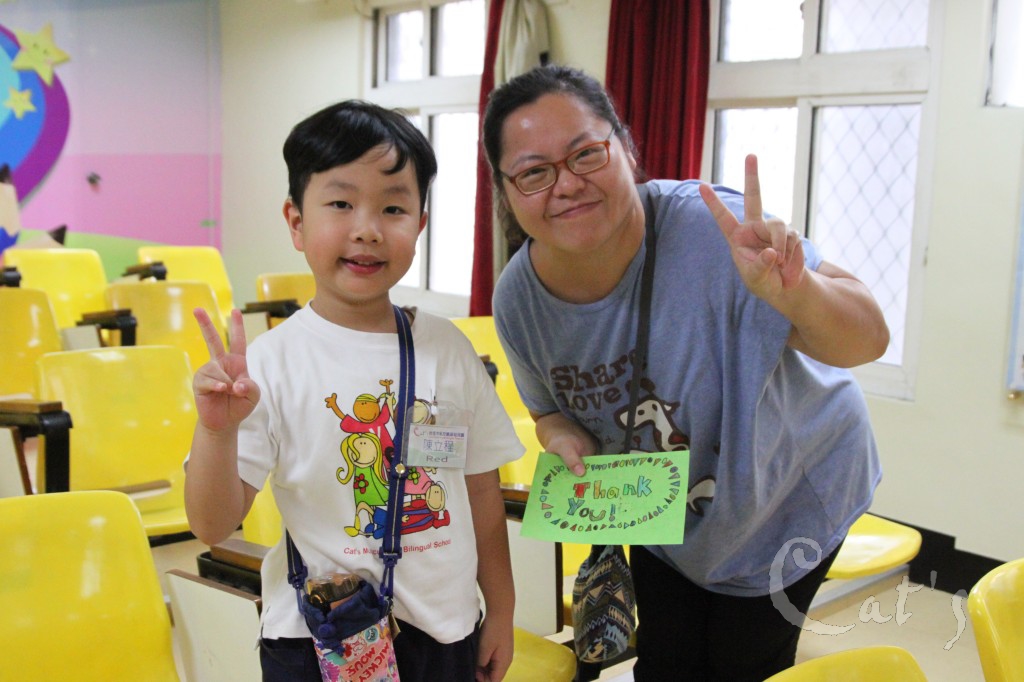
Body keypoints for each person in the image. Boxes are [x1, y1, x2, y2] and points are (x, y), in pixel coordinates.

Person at [483, 64, 889, 681]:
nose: (566, 185)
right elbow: (546, 409)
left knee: (739, 663)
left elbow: (869, 338)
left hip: (788, 495)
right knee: (665, 664)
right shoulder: (519, 302)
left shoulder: (711, 231)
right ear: (506, 191)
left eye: (586, 154)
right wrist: (560, 434)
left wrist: (796, 291)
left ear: (625, 147)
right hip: (668, 516)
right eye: (534, 172)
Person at [185, 100, 523, 682]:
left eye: (393, 208)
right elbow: (212, 525)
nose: (367, 229)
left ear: (419, 225)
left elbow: (482, 496)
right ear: (296, 222)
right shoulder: (270, 363)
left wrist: (503, 609)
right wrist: (217, 431)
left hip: (446, 632)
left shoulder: (447, 349)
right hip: (321, 637)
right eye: (341, 204)